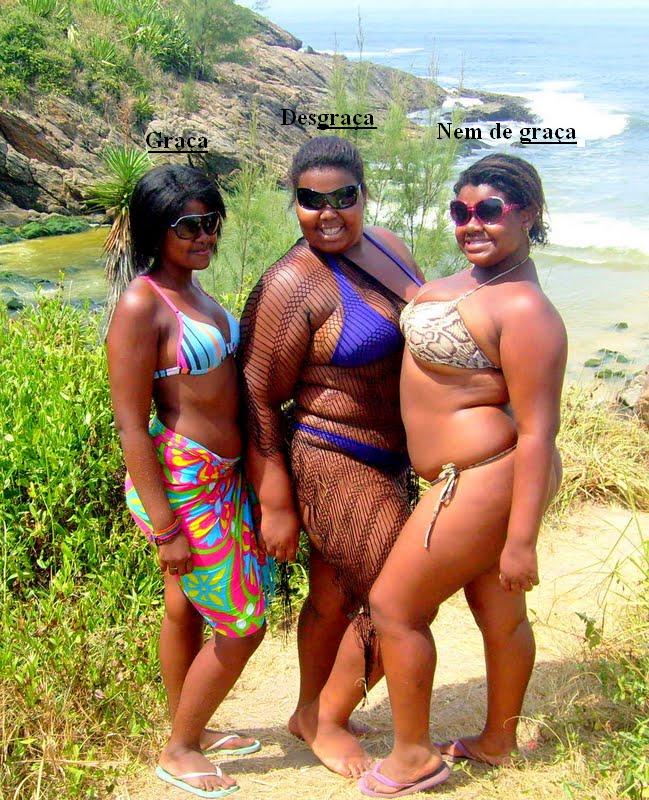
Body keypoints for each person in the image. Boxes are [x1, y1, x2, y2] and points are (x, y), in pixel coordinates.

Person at [358, 153, 567, 796]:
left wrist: (522, 540)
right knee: (497, 612)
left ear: (528, 214)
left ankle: (413, 757)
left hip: (487, 476)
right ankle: (499, 741)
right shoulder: (468, 284)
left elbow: (538, 432)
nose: (472, 224)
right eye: (460, 210)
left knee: (395, 606)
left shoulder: (526, 310)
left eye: (489, 211)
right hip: (468, 476)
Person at [239, 136, 425, 777]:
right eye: (311, 200)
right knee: (400, 600)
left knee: (331, 592)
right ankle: (328, 720)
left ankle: (306, 709)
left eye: (344, 196)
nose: (329, 213)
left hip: (393, 458)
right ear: (294, 203)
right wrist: (275, 500)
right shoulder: (292, 284)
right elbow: (256, 397)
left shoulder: (388, 249)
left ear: (365, 194)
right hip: (332, 456)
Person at [107, 164, 269, 799]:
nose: (205, 236)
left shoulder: (195, 291)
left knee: (184, 608)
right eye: (188, 226)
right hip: (183, 486)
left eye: (211, 222)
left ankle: (190, 728)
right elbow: (130, 423)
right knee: (243, 624)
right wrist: (165, 527)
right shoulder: (142, 302)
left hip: (222, 478)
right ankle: (178, 750)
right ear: (156, 230)